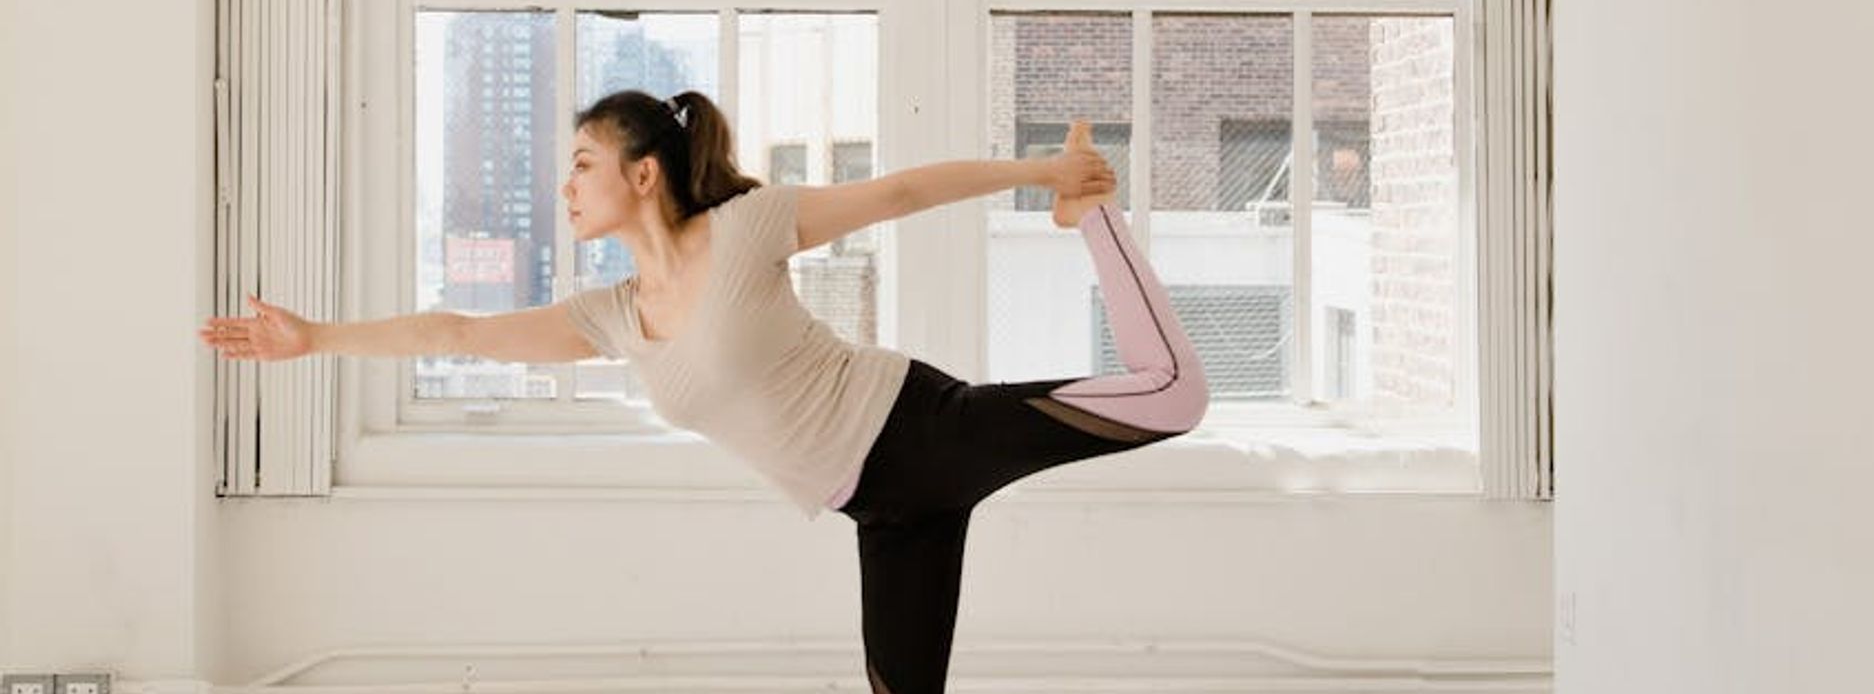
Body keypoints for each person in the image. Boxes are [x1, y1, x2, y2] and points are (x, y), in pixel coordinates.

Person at [198, 90, 1210, 694]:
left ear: (644, 173)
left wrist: (1049, 172)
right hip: (883, 510)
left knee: (1172, 394)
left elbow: (897, 193)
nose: (567, 185)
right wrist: (315, 339)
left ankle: (1095, 224)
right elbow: (458, 331)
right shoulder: (609, 317)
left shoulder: (746, 229)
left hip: (919, 429)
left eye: (584, 163)